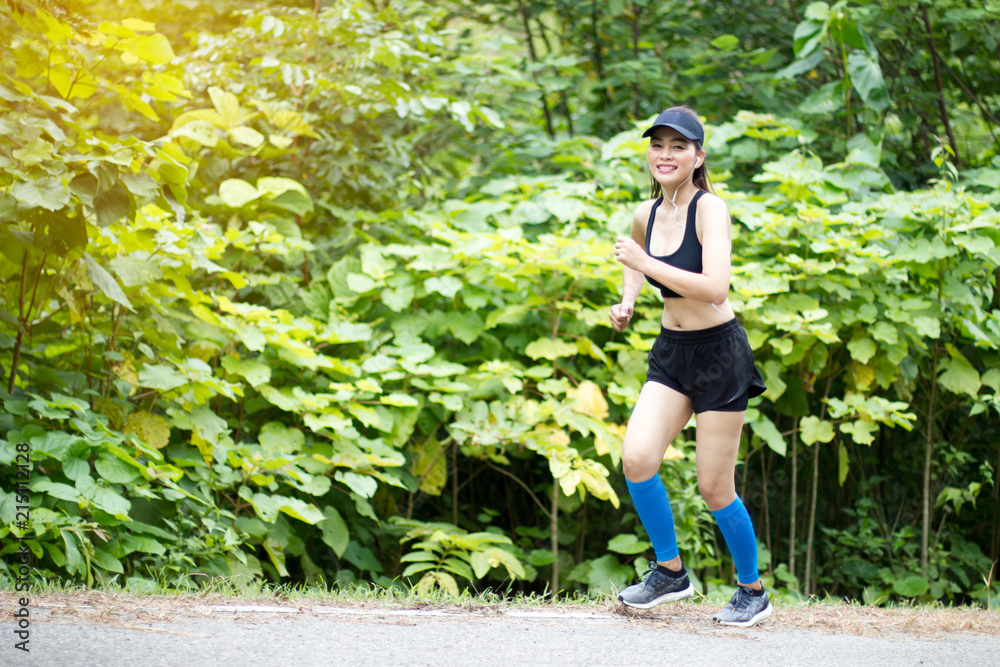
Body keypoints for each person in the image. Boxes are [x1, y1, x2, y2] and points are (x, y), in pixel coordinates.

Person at [609, 106, 771, 627]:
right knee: (636, 458)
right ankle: (670, 571)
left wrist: (643, 265)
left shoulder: (710, 209)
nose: (666, 154)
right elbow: (637, 265)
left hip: (720, 354)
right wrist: (628, 301)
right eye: (657, 145)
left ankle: (752, 589)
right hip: (672, 353)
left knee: (713, 486)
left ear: (698, 157)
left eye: (678, 146)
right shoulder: (646, 213)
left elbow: (714, 286)